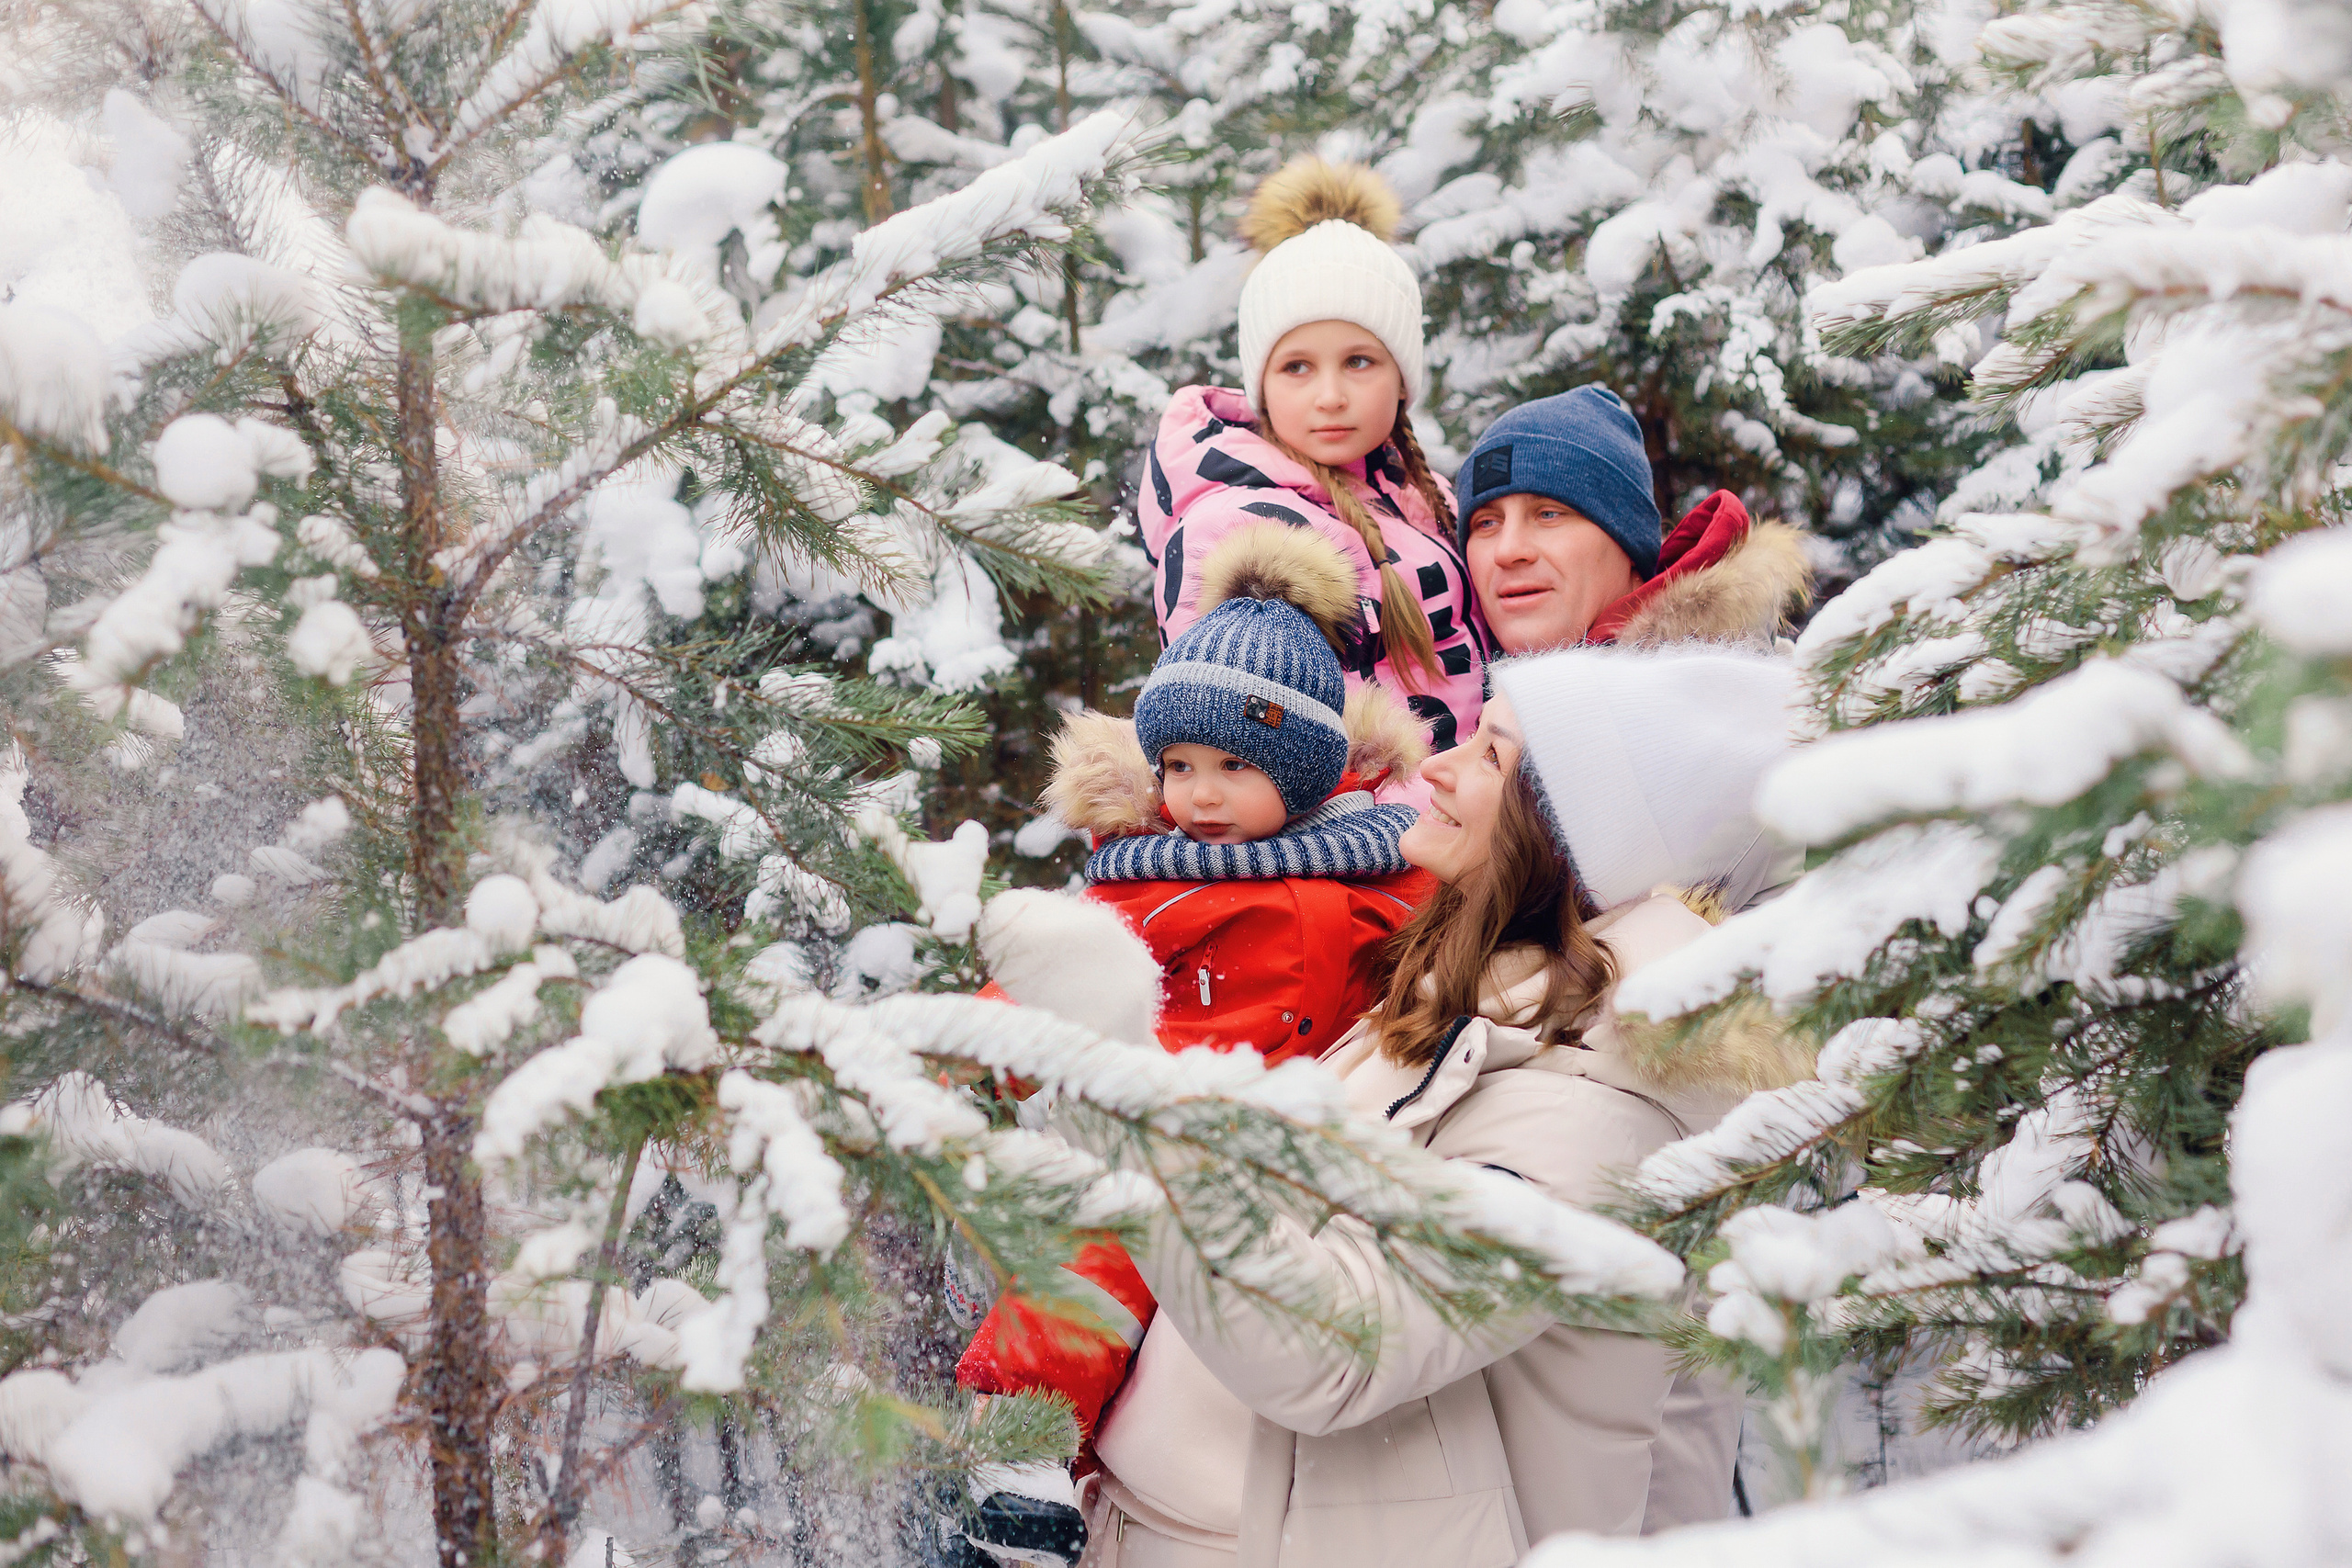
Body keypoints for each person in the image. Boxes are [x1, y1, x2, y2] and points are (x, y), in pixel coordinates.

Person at [1069, 646, 1815, 1567]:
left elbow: (1334, 1342)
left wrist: (1128, 1116)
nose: (1437, 766)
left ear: (1574, 837)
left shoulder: (1595, 1108)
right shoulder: (1482, 1002)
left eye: (1491, 756)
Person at [955, 525, 1438, 1475]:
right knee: (1100, 1254)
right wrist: (973, 1057)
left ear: (1301, 775)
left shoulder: (1378, 874)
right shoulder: (1149, 879)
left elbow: (1449, 956)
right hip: (1164, 1124)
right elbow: (1058, 974)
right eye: (1178, 766)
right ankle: (1017, 1450)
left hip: (1310, 1134)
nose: (1200, 797)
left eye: (1233, 768)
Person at [1139, 157, 1488, 766]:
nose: (1330, 395)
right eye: (1297, 366)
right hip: (1360, 842)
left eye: (1359, 361)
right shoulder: (1238, 527)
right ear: (1263, 383)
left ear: (1402, 380)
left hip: (1470, 828)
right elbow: (1243, 724)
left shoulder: (1424, 499)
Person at [1456, 386, 1813, 655]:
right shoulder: (1462, 710)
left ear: (1628, 546)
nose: (1508, 550)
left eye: (1549, 514)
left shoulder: (1722, 700)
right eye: (1486, 523)